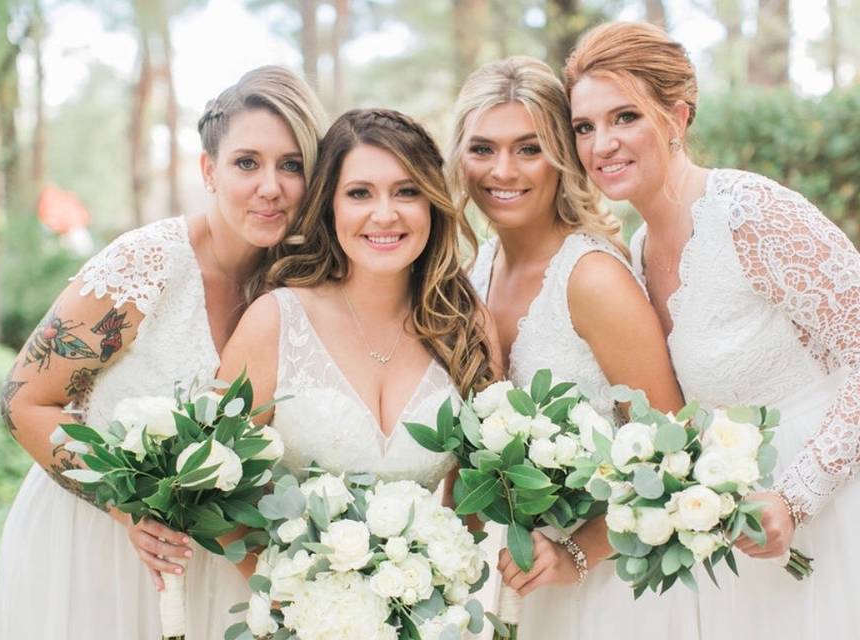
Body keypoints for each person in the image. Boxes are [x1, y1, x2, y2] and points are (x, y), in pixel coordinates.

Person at [0, 66, 325, 640]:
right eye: (247, 162)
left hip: (216, 561)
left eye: (291, 165)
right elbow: (23, 400)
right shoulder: (145, 266)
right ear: (209, 171)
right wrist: (129, 508)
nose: (270, 185)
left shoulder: (294, 282)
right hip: (95, 547)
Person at [566, 21, 860, 638]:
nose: (602, 144)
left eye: (625, 117)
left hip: (835, 512)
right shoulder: (639, 252)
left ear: (676, 116)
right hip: (737, 540)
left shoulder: (752, 214)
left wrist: (798, 497)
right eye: (584, 127)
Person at [449, 56, 692, 638]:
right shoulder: (477, 269)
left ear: (562, 155)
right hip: (516, 581)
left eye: (528, 148)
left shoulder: (591, 278)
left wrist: (577, 553)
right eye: (482, 148)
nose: (502, 170)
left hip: (607, 593)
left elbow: (673, 456)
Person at [217, 107, 498, 535]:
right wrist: (284, 594)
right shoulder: (275, 321)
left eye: (406, 192)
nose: (385, 215)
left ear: (431, 203)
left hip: (426, 598)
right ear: (329, 206)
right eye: (360, 194)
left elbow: (470, 508)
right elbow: (220, 488)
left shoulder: (466, 325)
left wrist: (446, 584)